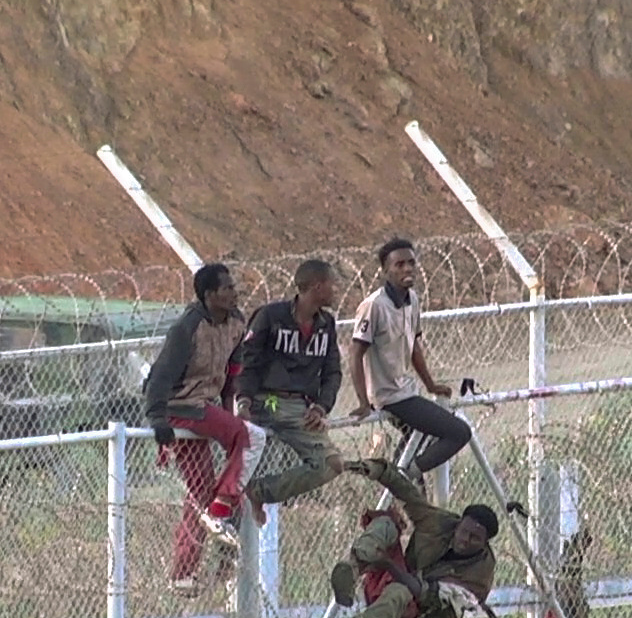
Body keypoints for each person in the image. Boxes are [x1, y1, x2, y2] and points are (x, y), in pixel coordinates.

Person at [308, 457, 499, 618]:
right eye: (464, 532)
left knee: (401, 591)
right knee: (387, 524)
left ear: (485, 543)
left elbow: (425, 592)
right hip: (392, 575)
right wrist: (376, 470)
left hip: (414, 611)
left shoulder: (480, 575)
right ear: (459, 523)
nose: (465, 540)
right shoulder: (439, 522)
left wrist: (388, 564)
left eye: (475, 539)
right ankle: (351, 568)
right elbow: (407, 494)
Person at [143, 263, 255, 594]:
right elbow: (160, 376)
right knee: (246, 440)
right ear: (209, 296)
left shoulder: (235, 323)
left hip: (209, 408)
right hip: (184, 409)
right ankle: (222, 508)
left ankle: (185, 572)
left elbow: (232, 369)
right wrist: (157, 418)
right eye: (227, 288)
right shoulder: (188, 328)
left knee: (201, 496)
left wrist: (231, 407)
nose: (234, 292)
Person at [348, 238, 472, 480]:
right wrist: (364, 400)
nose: (407, 269)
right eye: (399, 264)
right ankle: (403, 477)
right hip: (389, 394)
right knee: (458, 432)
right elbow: (355, 352)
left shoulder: (412, 299)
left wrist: (430, 384)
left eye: (411, 263)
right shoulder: (374, 306)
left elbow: (413, 345)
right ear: (386, 270)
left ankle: (403, 486)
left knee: (418, 438)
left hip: (407, 389)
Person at [236, 260, 345, 523]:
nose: (335, 290)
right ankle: (249, 500)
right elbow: (248, 362)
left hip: (301, 408)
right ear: (317, 286)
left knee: (330, 464)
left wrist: (321, 407)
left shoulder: (325, 324)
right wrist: (244, 402)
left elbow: (332, 372)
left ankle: (260, 491)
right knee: (238, 472)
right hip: (269, 401)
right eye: (331, 284)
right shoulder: (271, 317)